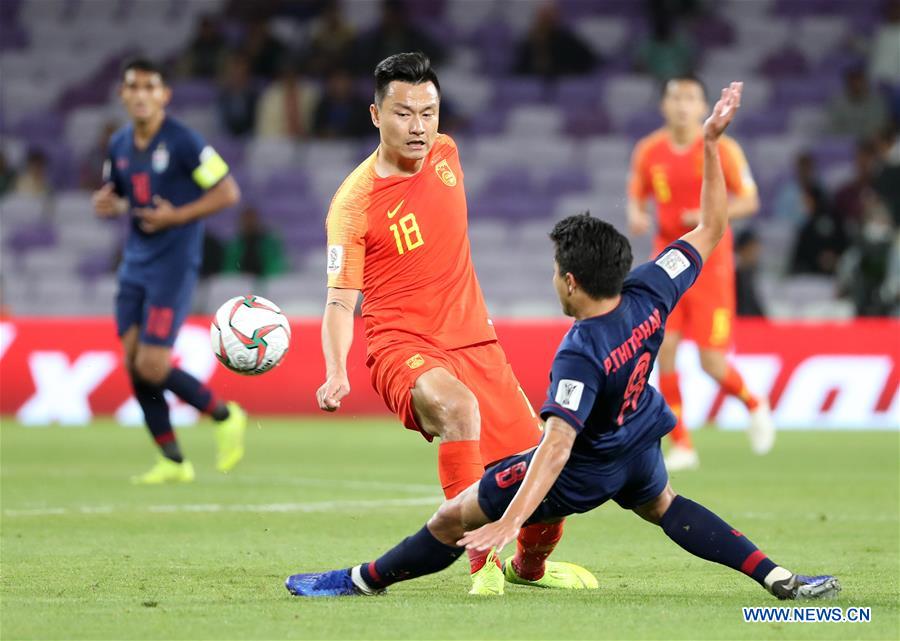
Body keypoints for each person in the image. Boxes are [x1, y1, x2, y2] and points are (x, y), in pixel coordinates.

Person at [285, 83, 840, 602]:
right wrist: (712, 145)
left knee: (452, 520)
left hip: (585, 469)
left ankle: (361, 581)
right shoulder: (651, 287)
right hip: (641, 445)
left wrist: (505, 522)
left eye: (555, 271)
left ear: (571, 282)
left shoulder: (579, 351)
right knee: (668, 507)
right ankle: (776, 575)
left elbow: (552, 452)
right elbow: (712, 229)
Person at [316, 52, 591, 595]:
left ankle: (528, 569)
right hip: (403, 345)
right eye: (402, 113)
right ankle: (482, 566)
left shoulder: (447, 153)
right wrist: (335, 371)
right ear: (375, 116)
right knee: (458, 408)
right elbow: (340, 303)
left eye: (428, 111)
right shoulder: (352, 205)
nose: (418, 127)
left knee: (545, 474)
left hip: (475, 341)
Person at [91, 58, 247, 484]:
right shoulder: (120, 144)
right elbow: (123, 197)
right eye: (133, 87)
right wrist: (110, 205)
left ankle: (224, 414)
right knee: (132, 360)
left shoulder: (183, 142)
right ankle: (173, 461)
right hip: (135, 264)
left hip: (174, 265)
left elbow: (228, 191)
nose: (141, 94)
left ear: (164, 95)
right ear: (123, 94)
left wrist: (178, 216)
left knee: (153, 365)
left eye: (150, 86)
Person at [627, 74, 774, 472]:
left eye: (690, 98)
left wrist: (707, 216)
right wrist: (637, 214)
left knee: (711, 362)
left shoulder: (723, 148)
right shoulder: (648, 151)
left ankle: (755, 404)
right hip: (667, 266)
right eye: (675, 96)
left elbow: (749, 200)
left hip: (711, 265)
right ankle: (683, 444)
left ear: (702, 105)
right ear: (664, 105)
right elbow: (636, 192)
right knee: (666, 350)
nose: (681, 104)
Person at [513, 2, 597, 78]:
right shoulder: (529, 41)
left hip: (563, 82)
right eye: (543, 17)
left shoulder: (566, 39)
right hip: (534, 84)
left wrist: (567, 72)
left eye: (548, 16)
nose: (545, 20)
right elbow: (521, 68)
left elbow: (588, 60)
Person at [255, 63, 319, 139]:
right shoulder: (270, 95)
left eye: (293, 74)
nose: (290, 78)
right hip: (277, 141)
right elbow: (263, 127)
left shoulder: (311, 93)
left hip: (307, 141)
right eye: (287, 75)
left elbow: (317, 122)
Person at [223, 205, 288, 277]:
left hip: (265, 284)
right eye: (246, 220)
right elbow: (229, 270)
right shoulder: (235, 246)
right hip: (240, 284)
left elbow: (275, 267)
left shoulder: (268, 244)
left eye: (251, 219)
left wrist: (260, 278)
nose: (249, 223)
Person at [827, 67, 889, 141]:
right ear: (847, 83)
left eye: (859, 81)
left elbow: (877, 127)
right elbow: (832, 127)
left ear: (866, 82)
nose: (856, 85)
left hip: (870, 143)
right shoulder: (836, 102)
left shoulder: (877, 101)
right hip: (843, 142)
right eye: (853, 81)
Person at [733, 229, 766, 317]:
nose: (756, 254)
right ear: (743, 248)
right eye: (752, 249)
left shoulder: (749, 270)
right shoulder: (736, 273)